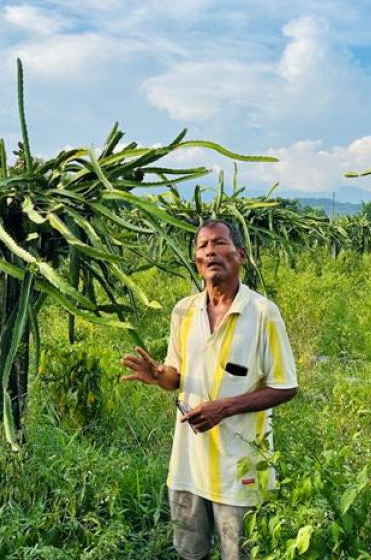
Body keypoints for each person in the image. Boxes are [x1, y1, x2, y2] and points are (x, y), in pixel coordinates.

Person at [121, 219, 298, 560]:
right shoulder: (183, 311)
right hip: (188, 468)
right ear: (195, 259)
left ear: (241, 254)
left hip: (240, 472)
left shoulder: (263, 314)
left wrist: (224, 408)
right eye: (202, 246)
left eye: (219, 243)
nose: (210, 252)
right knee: (190, 554)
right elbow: (176, 376)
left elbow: (285, 387)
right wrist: (158, 375)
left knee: (241, 556)